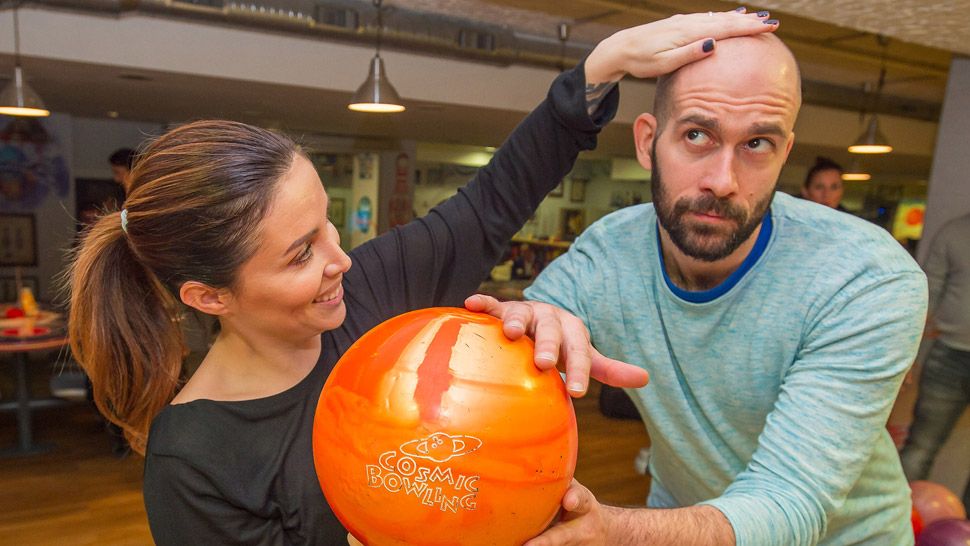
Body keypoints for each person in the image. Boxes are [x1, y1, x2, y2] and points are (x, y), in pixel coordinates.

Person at [66, 11, 778, 543]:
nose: (339, 260)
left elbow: (493, 200)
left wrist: (601, 67)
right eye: (299, 255)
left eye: (326, 229)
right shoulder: (193, 461)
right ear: (208, 295)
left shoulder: (373, 292)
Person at [476, 24, 928, 546]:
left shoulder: (866, 278)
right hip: (684, 518)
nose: (723, 180)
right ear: (648, 142)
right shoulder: (609, 252)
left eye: (757, 143)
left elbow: (789, 502)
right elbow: (508, 349)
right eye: (697, 135)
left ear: (785, 154)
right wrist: (524, 324)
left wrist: (613, 532)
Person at [900, 213, 970, 512]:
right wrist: (908, 354)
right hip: (949, 357)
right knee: (921, 446)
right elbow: (926, 296)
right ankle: (895, 524)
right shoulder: (954, 232)